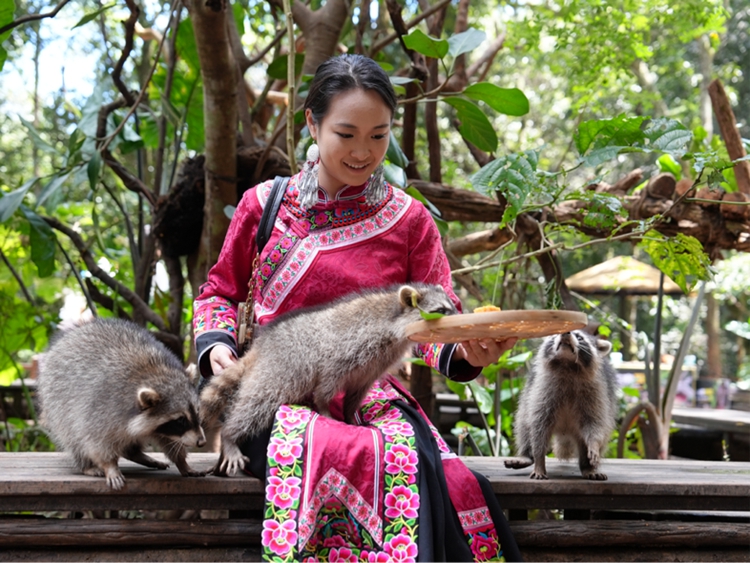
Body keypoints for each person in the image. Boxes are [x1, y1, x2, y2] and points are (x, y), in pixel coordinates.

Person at [193, 53, 522, 562]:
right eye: (346, 134)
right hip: (274, 382)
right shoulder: (264, 205)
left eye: (378, 134)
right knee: (318, 446)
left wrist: (471, 354)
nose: (363, 150)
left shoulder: (409, 220)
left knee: (416, 465)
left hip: (372, 391)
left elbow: (437, 324)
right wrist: (215, 347)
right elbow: (219, 292)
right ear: (312, 122)